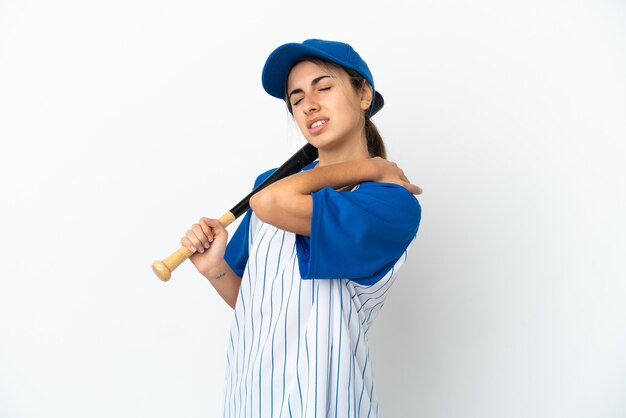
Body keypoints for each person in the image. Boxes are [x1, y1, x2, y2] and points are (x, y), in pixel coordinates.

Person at [181, 39, 422, 418]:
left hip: (324, 402)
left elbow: (270, 203)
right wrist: (215, 267)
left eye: (323, 87)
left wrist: (371, 169)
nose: (308, 104)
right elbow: (256, 301)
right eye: (296, 99)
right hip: (249, 396)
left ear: (363, 95)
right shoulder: (273, 182)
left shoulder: (389, 204)